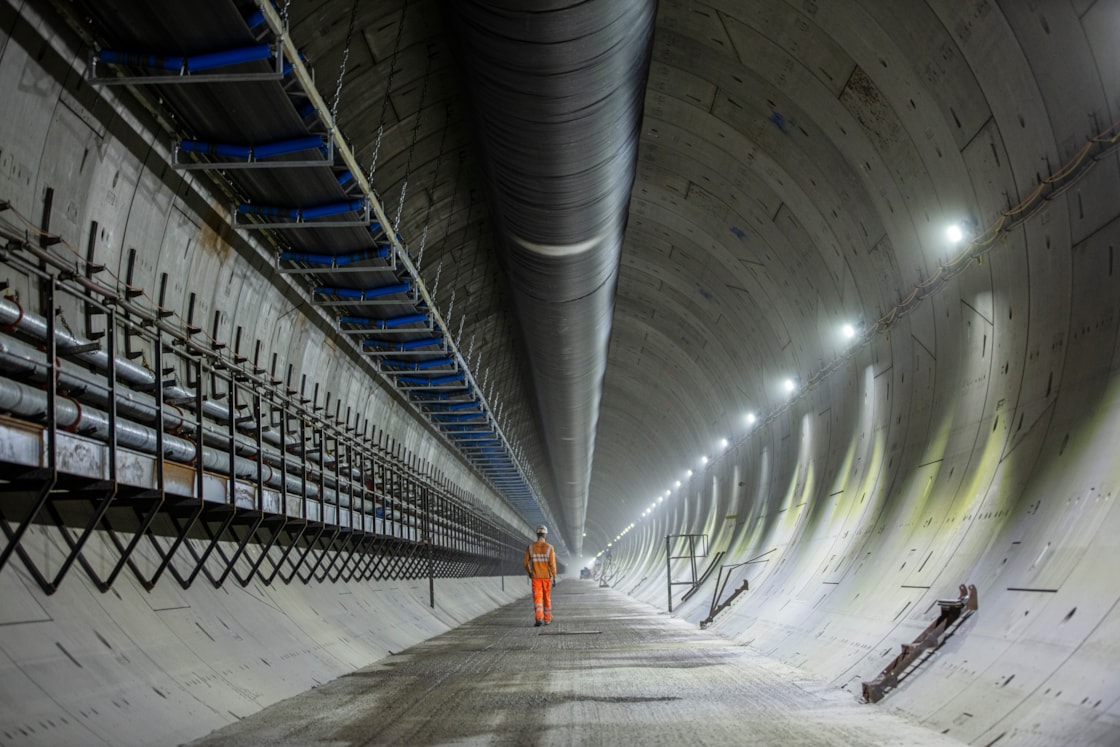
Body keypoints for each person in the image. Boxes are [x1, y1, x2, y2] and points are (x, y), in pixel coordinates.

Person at [523, 525, 557, 627]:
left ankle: (538, 618)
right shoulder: (550, 547)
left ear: (537, 534)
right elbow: (552, 564)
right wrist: (554, 576)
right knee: (547, 598)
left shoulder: (531, 547)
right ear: (545, 535)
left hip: (536, 577)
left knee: (537, 598)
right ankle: (547, 619)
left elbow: (525, 563)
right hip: (547, 577)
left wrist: (530, 572)